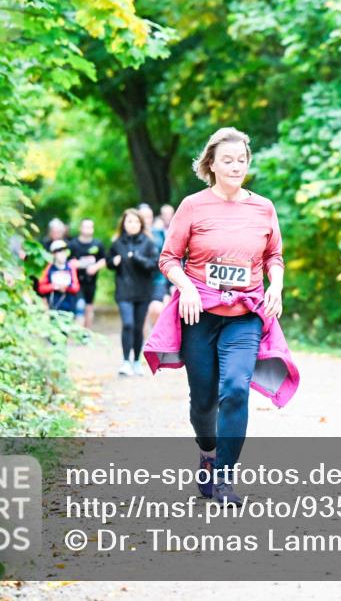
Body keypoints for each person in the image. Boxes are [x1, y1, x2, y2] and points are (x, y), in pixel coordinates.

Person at [144, 126, 299, 506]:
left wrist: (275, 285)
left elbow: (273, 257)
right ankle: (208, 452)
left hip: (245, 313)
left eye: (241, 160)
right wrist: (189, 288)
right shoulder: (193, 206)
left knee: (235, 388)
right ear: (211, 164)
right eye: (227, 160)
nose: (235, 166)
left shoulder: (263, 207)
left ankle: (225, 478)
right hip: (199, 315)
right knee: (203, 403)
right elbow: (168, 259)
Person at [107, 209, 159, 377]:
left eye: (136, 222)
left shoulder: (148, 243)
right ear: (123, 224)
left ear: (141, 224)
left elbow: (154, 265)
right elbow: (108, 261)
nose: (132, 225)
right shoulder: (117, 243)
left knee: (138, 327)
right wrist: (113, 262)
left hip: (143, 291)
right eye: (129, 221)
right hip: (123, 290)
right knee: (128, 324)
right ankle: (125, 362)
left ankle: (136, 361)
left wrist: (138, 258)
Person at [68, 219, 107, 329]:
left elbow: (104, 260)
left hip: (91, 281)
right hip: (76, 281)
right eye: (85, 226)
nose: (87, 229)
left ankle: (87, 333)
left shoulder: (97, 244)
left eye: (90, 227)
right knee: (79, 305)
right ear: (80, 228)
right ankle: (80, 332)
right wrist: (78, 264)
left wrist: (95, 267)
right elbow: (67, 262)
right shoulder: (73, 244)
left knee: (89, 307)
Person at [139, 203, 169, 333]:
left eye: (149, 217)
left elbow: (169, 255)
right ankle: (145, 344)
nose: (147, 220)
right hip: (139, 279)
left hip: (158, 279)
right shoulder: (132, 236)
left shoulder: (159, 234)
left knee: (157, 309)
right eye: (144, 217)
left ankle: (155, 336)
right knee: (141, 313)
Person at [37, 239, 81, 315]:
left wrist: (66, 287)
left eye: (64, 252)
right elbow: (41, 288)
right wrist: (54, 287)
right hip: (53, 307)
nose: (62, 255)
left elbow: (76, 287)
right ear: (54, 254)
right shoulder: (49, 268)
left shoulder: (70, 268)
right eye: (59, 252)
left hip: (69, 307)